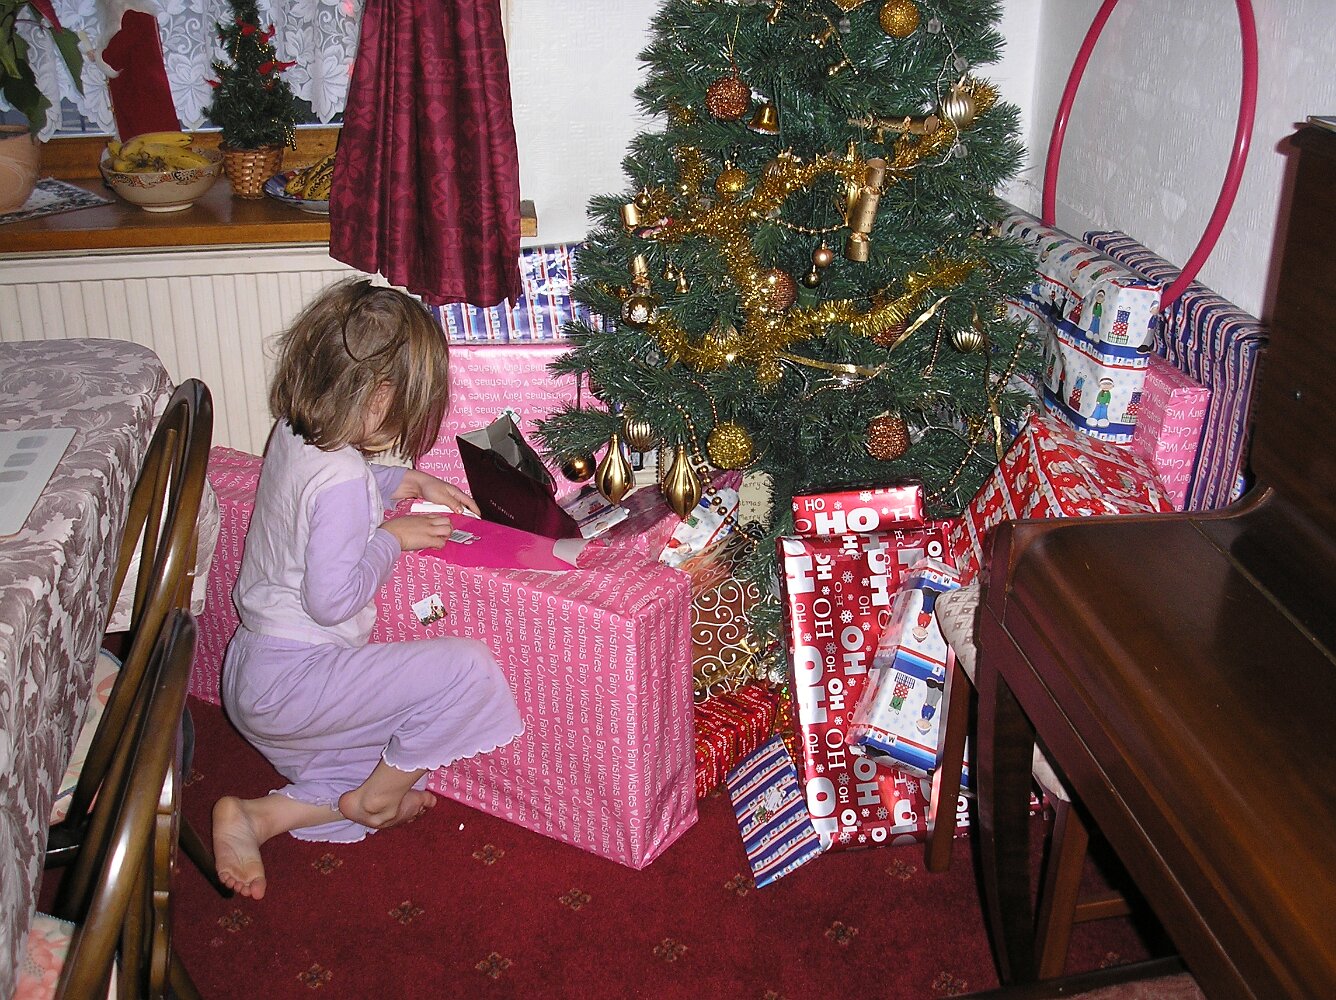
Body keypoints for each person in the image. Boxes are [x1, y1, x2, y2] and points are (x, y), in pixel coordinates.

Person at [212, 278, 523, 900]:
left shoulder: (292, 433)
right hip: (295, 682)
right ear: (380, 400)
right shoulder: (344, 481)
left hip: (253, 675)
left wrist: (404, 481)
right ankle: (377, 803)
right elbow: (332, 599)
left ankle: (260, 817)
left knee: (393, 760)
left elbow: (319, 494)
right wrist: (392, 539)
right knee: (467, 671)